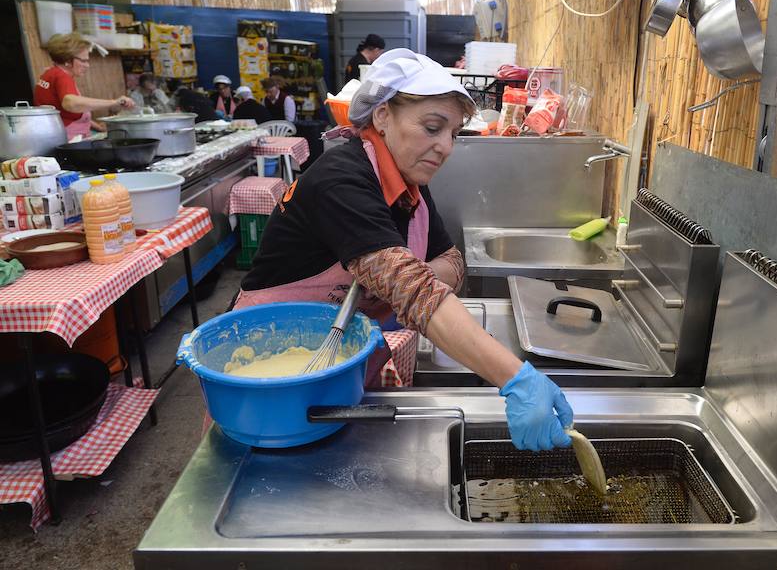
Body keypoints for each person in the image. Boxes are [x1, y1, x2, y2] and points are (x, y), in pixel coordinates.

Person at [236, 49, 573, 452]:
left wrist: (401, 280)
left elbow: (453, 264)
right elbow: (418, 291)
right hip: (265, 365)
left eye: (453, 133)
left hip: (340, 365)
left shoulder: (411, 185)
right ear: (382, 116)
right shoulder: (340, 179)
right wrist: (515, 378)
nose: (445, 146)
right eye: (433, 127)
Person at [34, 32, 135, 140]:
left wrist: (98, 127)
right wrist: (114, 102)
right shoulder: (62, 77)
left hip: (54, 133)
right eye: (83, 61)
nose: (87, 65)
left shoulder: (49, 73)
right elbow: (70, 103)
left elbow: (66, 113)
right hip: (66, 138)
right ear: (68, 60)